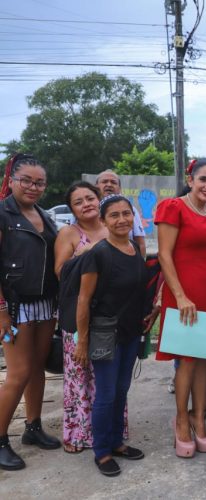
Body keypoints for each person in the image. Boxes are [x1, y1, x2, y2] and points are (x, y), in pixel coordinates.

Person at [154, 158, 206, 458]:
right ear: (191, 179)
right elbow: (164, 255)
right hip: (183, 293)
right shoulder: (173, 207)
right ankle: (181, 419)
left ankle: (199, 417)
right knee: (187, 360)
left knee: (204, 358)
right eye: (203, 180)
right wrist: (180, 295)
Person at [73, 194, 147, 477]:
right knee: (105, 394)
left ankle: (116, 442)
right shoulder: (98, 253)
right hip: (104, 335)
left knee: (121, 390)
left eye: (126, 214)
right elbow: (83, 300)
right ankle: (102, 451)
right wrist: (83, 340)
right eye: (114, 215)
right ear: (103, 221)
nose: (121, 220)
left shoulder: (133, 249)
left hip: (129, 333)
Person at [54, 181, 129, 453]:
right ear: (72, 208)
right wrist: (86, 253)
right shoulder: (68, 233)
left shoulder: (113, 226)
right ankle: (77, 434)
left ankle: (111, 432)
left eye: (90, 198)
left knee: (107, 380)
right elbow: (61, 273)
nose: (86, 204)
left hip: (112, 317)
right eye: (78, 201)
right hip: (80, 316)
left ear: (99, 199)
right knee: (79, 375)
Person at [0, 154, 61, 471]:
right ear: (11, 180)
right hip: (13, 306)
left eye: (39, 182)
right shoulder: (3, 213)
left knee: (38, 367)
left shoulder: (44, 215)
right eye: (26, 180)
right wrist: (2, 315)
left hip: (45, 304)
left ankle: (33, 427)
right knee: (19, 372)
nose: (33, 187)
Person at [95, 169, 146, 258]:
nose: (109, 184)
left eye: (113, 182)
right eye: (104, 182)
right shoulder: (90, 210)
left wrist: (141, 265)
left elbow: (140, 242)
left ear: (119, 188)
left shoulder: (130, 209)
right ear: (96, 187)